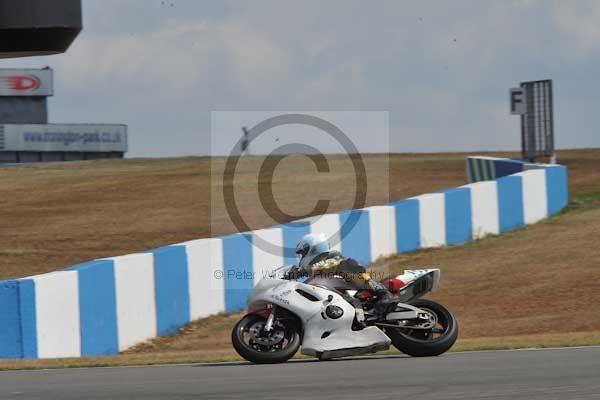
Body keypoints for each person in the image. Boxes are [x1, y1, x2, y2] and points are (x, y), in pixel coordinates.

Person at [294, 232, 395, 314]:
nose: (301, 258)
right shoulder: (313, 274)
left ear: (312, 250)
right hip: (335, 301)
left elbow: (326, 265)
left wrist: (304, 270)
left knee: (345, 266)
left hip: (355, 292)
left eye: (302, 254)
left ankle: (383, 293)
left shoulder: (332, 257)